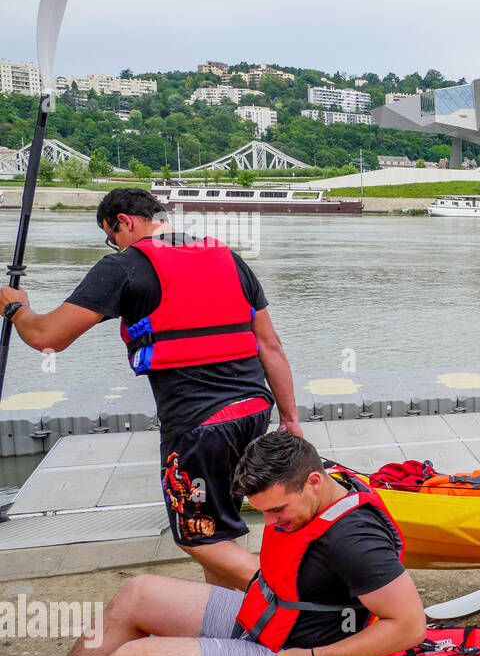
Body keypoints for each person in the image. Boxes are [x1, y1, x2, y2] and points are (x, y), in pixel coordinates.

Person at [0, 430, 426, 656]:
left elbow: (409, 627)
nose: (273, 522)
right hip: (264, 619)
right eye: (262, 513)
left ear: (314, 482)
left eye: (278, 510)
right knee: (138, 592)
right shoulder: (315, 480)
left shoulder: (355, 541)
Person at [0, 187, 300, 590]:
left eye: (112, 236)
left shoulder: (124, 267)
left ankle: (296, 603)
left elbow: (46, 337)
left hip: (199, 425)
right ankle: (230, 622)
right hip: (253, 412)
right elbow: (271, 345)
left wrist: (15, 307)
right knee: (220, 528)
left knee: (197, 534)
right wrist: (291, 419)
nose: (115, 245)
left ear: (123, 221)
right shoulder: (227, 257)